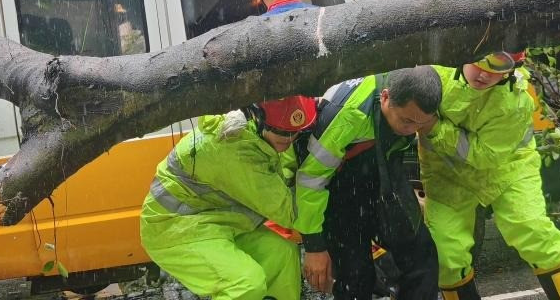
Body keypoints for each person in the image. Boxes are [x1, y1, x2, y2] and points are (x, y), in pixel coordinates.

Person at [420, 52, 560, 300]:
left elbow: (485, 156)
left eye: (498, 65)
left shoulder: (515, 99)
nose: (486, 73)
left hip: (507, 168)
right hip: (446, 173)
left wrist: (435, 127)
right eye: (480, 61)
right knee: (446, 253)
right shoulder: (432, 76)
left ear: (512, 68)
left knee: (532, 230)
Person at [140, 95, 317, 300]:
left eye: (295, 132)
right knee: (245, 284)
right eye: (281, 131)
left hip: (219, 221)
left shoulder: (253, 130)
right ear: (257, 118)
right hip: (174, 229)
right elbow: (291, 213)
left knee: (282, 253)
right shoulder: (237, 151)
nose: (289, 139)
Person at [297, 65, 442, 300]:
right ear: (385, 97)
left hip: (384, 176)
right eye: (407, 121)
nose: (413, 130)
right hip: (338, 190)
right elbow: (310, 181)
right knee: (355, 278)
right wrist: (314, 246)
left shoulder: (421, 98)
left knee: (422, 258)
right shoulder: (347, 116)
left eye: (420, 124)